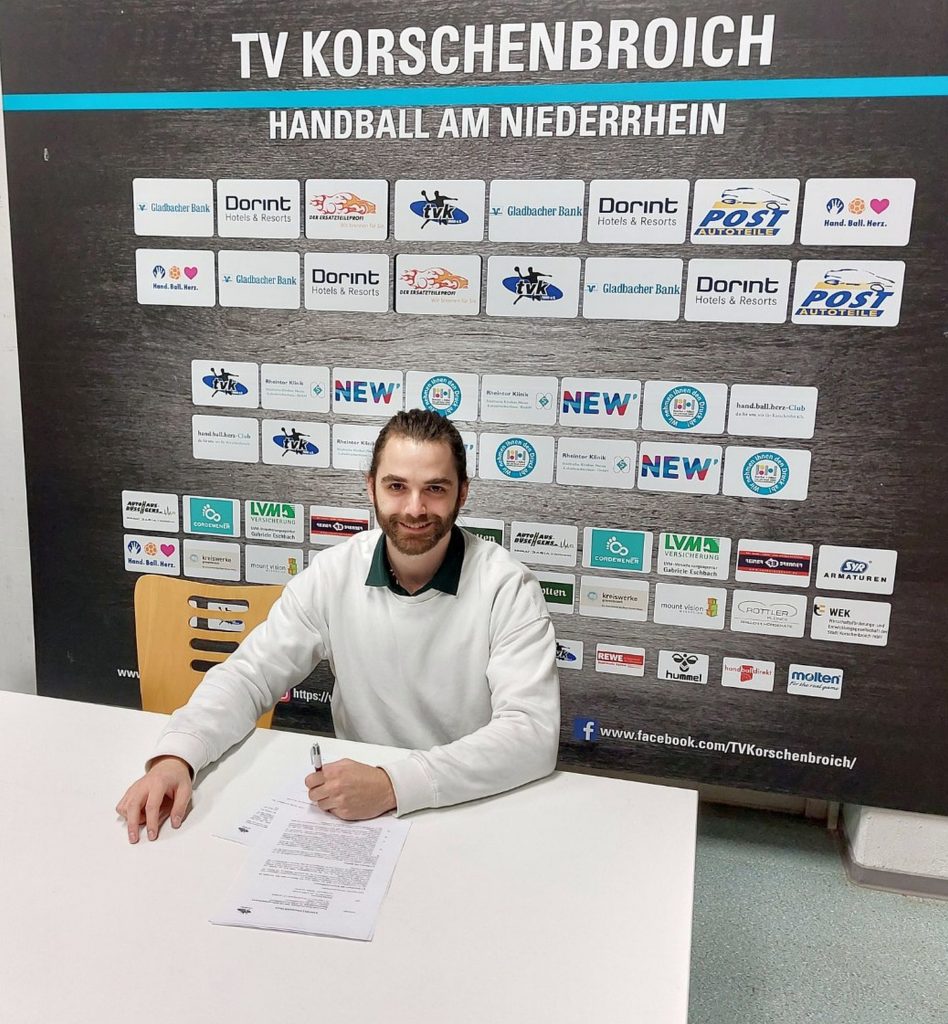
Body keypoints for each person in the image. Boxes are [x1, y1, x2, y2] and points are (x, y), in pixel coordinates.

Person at [116, 409, 560, 842]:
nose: (415, 507)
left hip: (469, 805)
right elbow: (250, 675)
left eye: (435, 488)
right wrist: (177, 756)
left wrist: (393, 784)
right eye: (396, 486)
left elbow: (532, 734)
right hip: (358, 816)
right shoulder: (334, 573)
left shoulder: (507, 586)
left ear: (462, 493)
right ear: (371, 487)